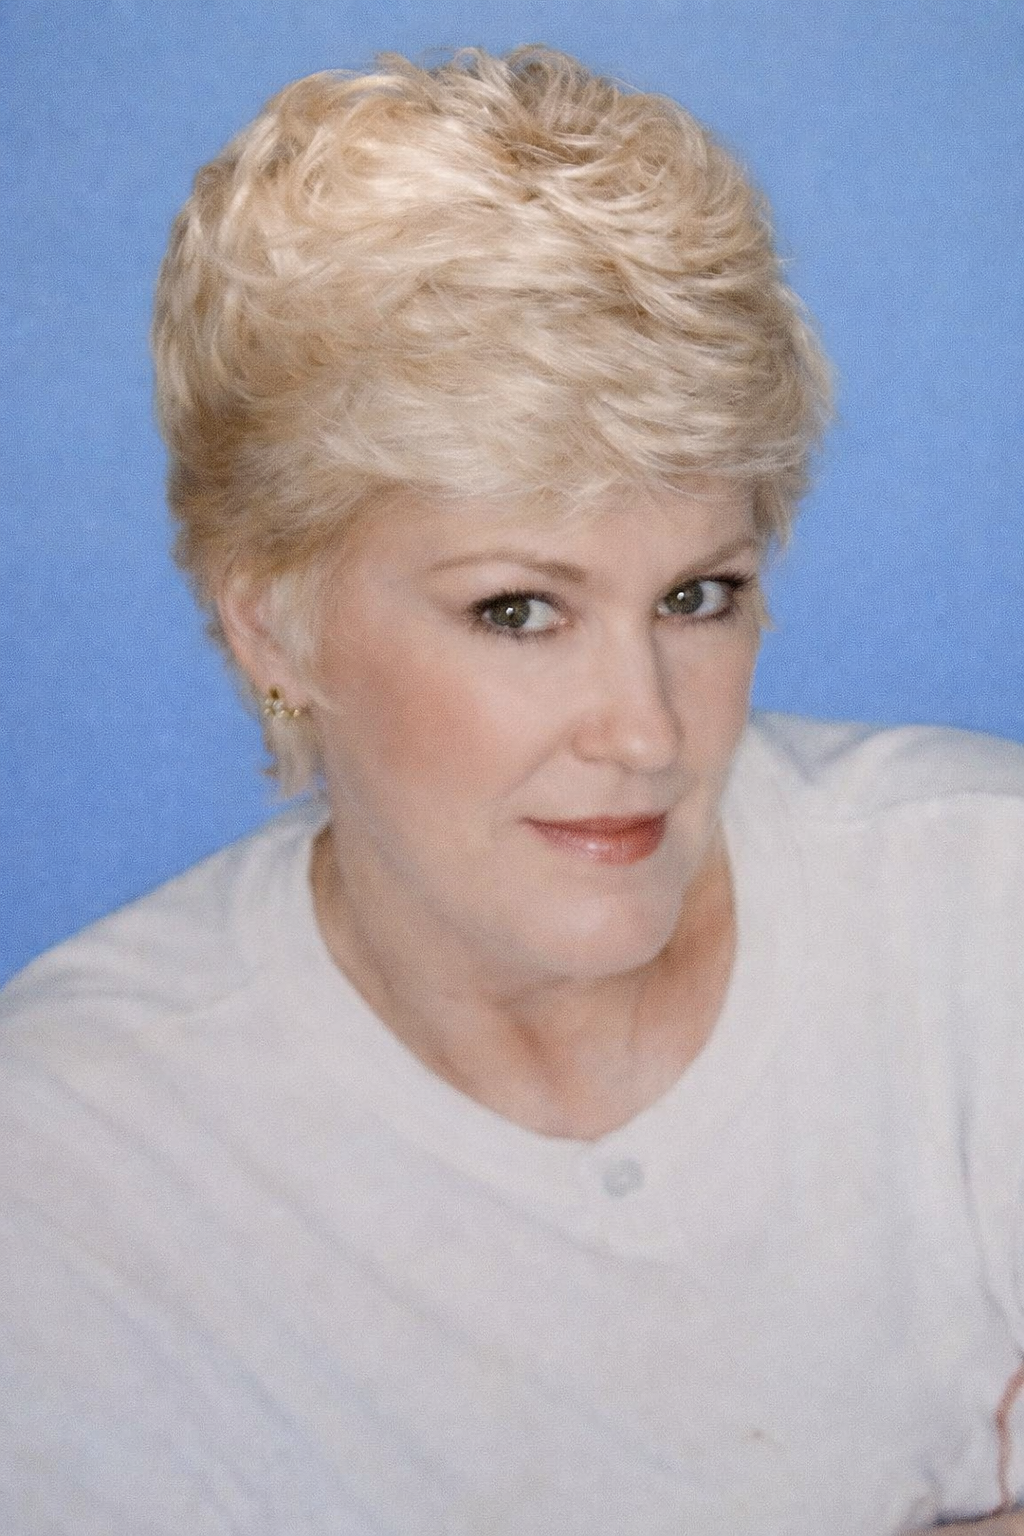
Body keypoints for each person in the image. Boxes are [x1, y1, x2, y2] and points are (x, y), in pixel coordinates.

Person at [1, 44, 1022, 1536]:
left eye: (697, 595)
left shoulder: (985, 912)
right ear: (273, 626)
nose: (645, 732)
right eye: (519, 610)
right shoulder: (75, 1162)